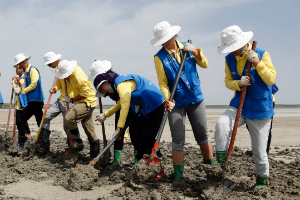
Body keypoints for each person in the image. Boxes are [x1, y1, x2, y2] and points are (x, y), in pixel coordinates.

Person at [151, 21, 214, 183]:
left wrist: (194, 51)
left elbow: (205, 64)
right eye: (161, 40)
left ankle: (211, 169)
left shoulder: (189, 48)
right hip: (176, 102)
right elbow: (163, 82)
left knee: (202, 135)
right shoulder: (159, 57)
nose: (165, 42)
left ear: (173, 35)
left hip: (195, 97)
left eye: (166, 38)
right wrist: (168, 98)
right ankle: (178, 176)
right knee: (178, 139)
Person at [215, 25, 277, 188]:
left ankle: (261, 180)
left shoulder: (263, 54)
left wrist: (256, 62)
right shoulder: (229, 59)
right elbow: (228, 81)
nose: (232, 51)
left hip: (260, 105)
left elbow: (270, 79)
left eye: (233, 47)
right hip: (239, 104)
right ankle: (221, 168)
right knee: (221, 125)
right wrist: (238, 83)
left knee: (259, 151)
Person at [92, 69, 166, 179]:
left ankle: (158, 167)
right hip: (145, 108)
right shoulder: (118, 87)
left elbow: (125, 105)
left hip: (156, 104)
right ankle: (143, 165)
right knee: (137, 136)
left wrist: (118, 128)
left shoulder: (121, 84)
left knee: (147, 138)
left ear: (106, 82)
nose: (104, 92)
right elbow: (121, 103)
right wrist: (106, 115)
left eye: (103, 89)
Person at [88, 60, 138, 166]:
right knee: (118, 135)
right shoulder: (106, 87)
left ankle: (138, 160)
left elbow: (124, 103)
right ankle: (116, 160)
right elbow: (120, 104)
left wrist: (107, 115)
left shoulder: (118, 82)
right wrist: (106, 115)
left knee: (135, 134)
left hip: (133, 107)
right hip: (121, 108)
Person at [55, 60, 99, 158]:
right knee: (88, 129)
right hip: (82, 102)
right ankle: (95, 156)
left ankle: (77, 141)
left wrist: (71, 100)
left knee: (68, 118)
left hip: (87, 101)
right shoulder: (70, 75)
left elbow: (85, 94)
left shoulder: (78, 76)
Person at [35, 52, 77, 154]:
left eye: (50, 64)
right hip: (60, 100)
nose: (50, 66)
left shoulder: (68, 67)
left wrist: (72, 97)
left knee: (67, 126)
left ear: (54, 61)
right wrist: (55, 89)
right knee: (45, 117)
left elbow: (76, 83)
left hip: (70, 101)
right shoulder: (58, 70)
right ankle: (43, 144)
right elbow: (59, 84)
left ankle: (72, 147)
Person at [13, 53, 45, 150]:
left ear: (25, 61)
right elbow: (26, 86)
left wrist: (22, 91)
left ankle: (22, 143)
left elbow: (34, 84)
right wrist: (19, 85)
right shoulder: (26, 72)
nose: (20, 66)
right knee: (40, 122)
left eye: (21, 64)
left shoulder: (33, 70)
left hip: (36, 101)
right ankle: (42, 144)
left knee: (21, 119)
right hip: (32, 101)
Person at [11, 66, 30, 150]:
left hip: (23, 104)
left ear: (21, 69)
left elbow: (20, 87)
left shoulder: (23, 78)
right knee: (23, 124)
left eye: (17, 68)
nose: (16, 70)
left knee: (21, 124)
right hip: (20, 104)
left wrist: (13, 82)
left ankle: (21, 144)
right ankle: (27, 140)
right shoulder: (21, 77)